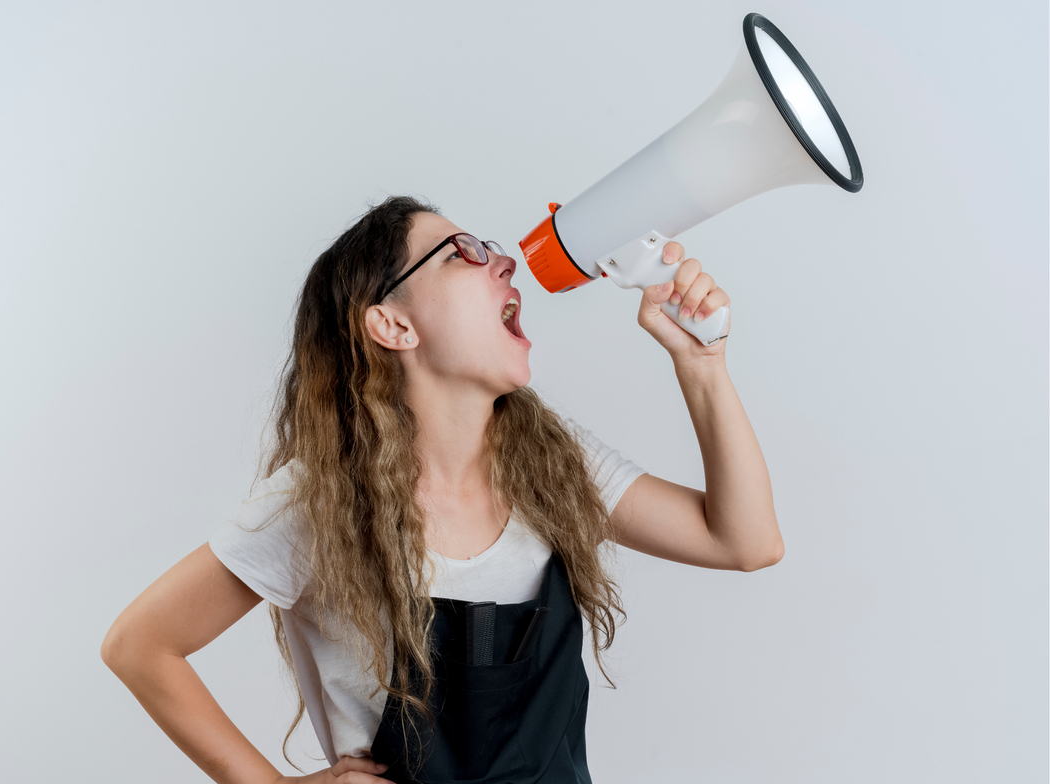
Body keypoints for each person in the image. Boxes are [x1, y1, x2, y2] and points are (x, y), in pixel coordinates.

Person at [101, 195, 783, 783]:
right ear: (392, 324)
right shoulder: (320, 500)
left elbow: (744, 541)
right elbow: (139, 644)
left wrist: (702, 367)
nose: (505, 261)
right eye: (461, 253)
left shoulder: (553, 465)